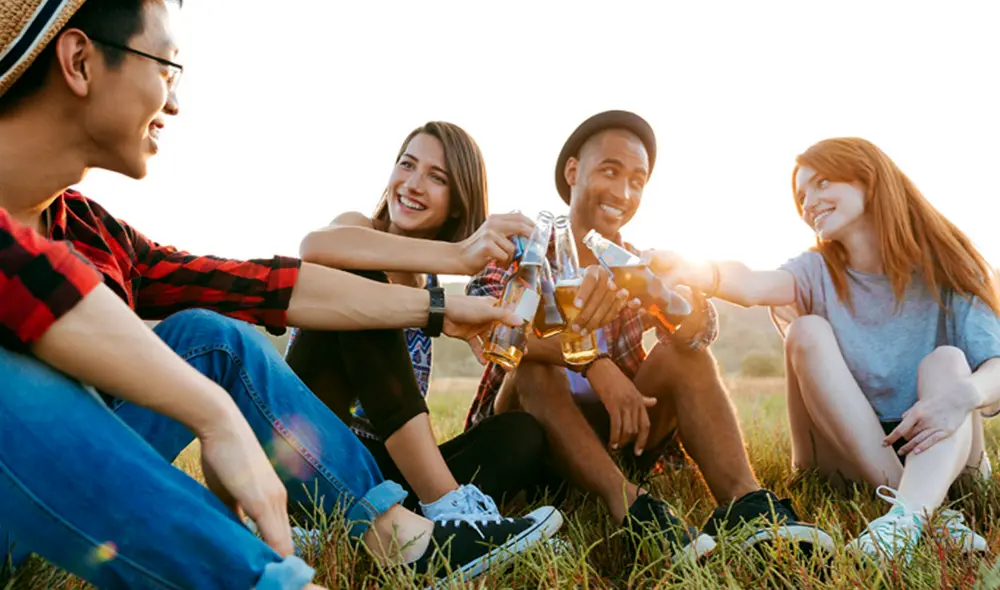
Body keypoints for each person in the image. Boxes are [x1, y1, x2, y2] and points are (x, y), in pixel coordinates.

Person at [0, 1, 563, 588]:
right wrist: (213, 414)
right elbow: (35, 285)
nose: (174, 102)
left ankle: (403, 534)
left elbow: (265, 285)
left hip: (68, 489)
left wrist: (441, 309)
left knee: (212, 335)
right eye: (166, 69)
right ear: (80, 61)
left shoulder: (98, 234)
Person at [465, 110, 834, 561]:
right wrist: (593, 363)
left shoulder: (634, 263)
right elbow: (489, 327)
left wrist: (688, 298)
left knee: (685, 356)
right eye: (610, 171)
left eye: (637, 180)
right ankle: (633, 509)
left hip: (615, 436)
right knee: (533, 366)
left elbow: (698, 335)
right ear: (573, 171)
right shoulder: (522, 247)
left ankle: (747, 505)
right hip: (529, 439)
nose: (624, 192)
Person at [652, 137, 995, 561]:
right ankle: (920, 513)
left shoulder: (950, 263)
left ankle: (907, 516)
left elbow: (996, 368)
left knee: (949, 362)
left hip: (946, 447)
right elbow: (752, 284)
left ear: (870, 181)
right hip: (846, 456)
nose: (808, 202)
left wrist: (965, 395)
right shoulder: (815, 270)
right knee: (807, 330)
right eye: (801, 195)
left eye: (822, 183)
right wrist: (691, 269)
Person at [285, 121, 617, 520]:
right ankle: (441, 506)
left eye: (436, 177)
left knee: (519, 434)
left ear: (457, 201)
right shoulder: (356, 228)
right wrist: (455, 264)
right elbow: (315, 246)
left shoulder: (432, 281)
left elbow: (518, 319)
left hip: (382, 465)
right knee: (365, 280)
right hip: (308, 447)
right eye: (406, 165)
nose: (413, 184)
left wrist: (581, 301)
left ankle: (413, 517)